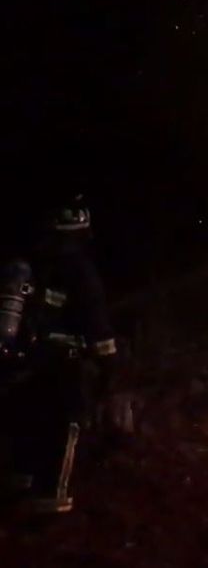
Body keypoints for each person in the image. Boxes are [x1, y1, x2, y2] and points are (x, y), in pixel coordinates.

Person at [0, 194, 120, 514]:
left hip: (29, 361)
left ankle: (21, 479)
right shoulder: (81, 271)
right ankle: (52, 495)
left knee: (28, 417)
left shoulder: (34, 267)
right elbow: (97, 323)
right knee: (63, 425)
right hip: (64, 364)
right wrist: (109, 367)